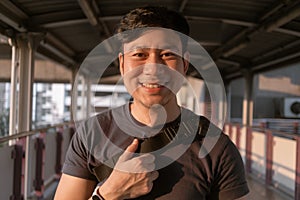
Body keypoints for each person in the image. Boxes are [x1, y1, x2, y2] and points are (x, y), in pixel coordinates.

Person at [54, 6, 249, 200]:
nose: (153, 69)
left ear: (185, 64)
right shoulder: (92, 133)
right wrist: (108, 194)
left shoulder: (216, 147)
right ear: (122, 65)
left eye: (168, 54)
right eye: (139, 55)